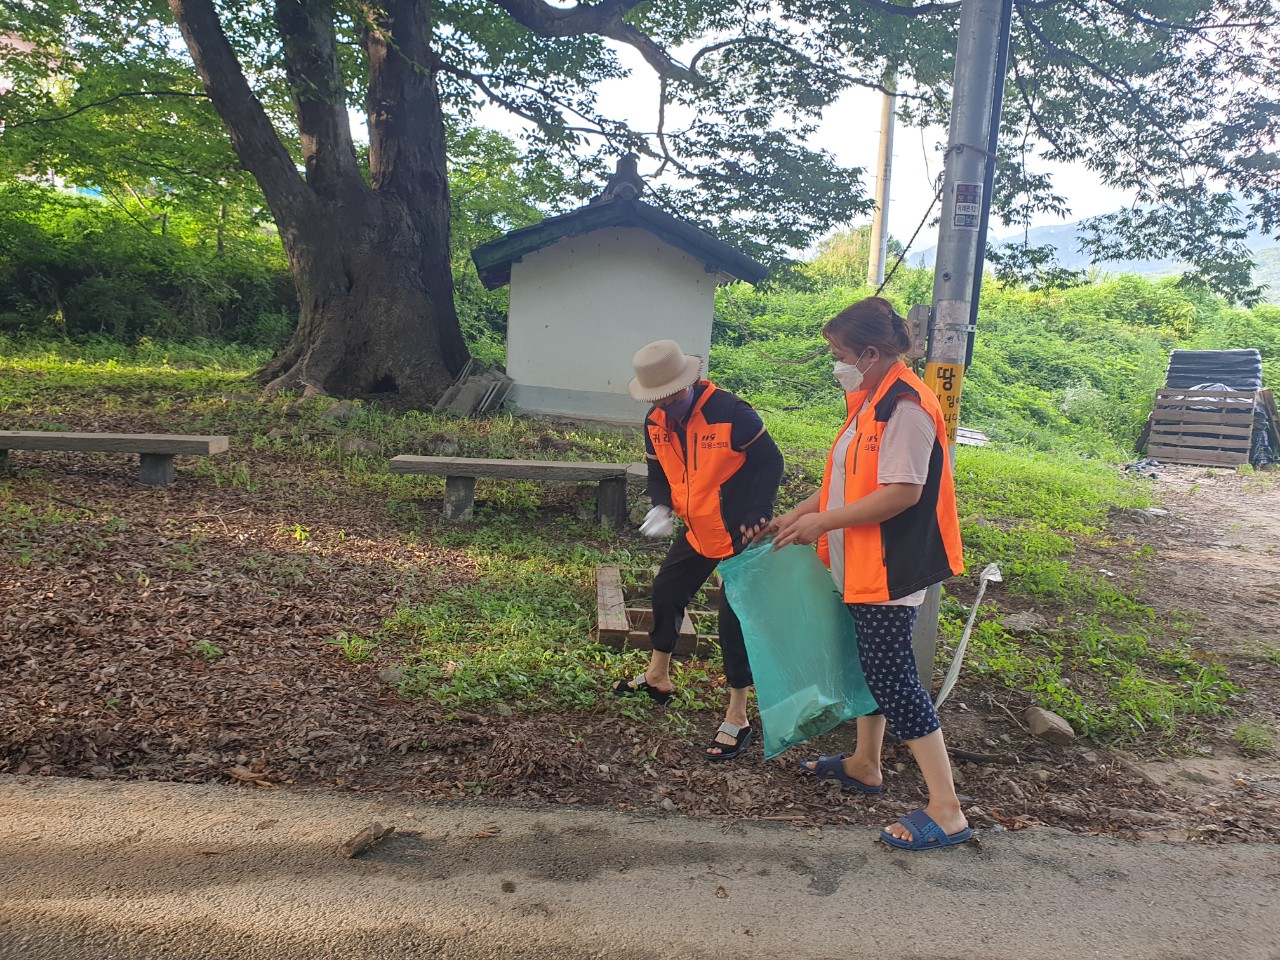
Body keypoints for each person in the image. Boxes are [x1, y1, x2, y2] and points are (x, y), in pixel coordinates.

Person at [765, 297, 969, 850]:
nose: (837, 364)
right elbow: (845, 481)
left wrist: (823, 522)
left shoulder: (906, 408)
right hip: (859, 563)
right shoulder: (870, 400)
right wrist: (798, 514)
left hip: (889, 568)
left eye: (840, 354)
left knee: (894, 678)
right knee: (871, 667)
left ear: (871, 353)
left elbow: (902, 493)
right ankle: (864, 763)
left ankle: (947, 808)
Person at [612, 339, 783, 761]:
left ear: (688, 382)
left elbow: (770, 461)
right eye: (656, 398)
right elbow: (657, 470)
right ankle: (658, 677)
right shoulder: (656, 420)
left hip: (739, 530)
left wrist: (759, 510)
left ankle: (738, 714)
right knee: (667, 590)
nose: (664, 405)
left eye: (671, 395)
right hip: (700, 528)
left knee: (732, 619)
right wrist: (661, 505)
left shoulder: (732, 413)